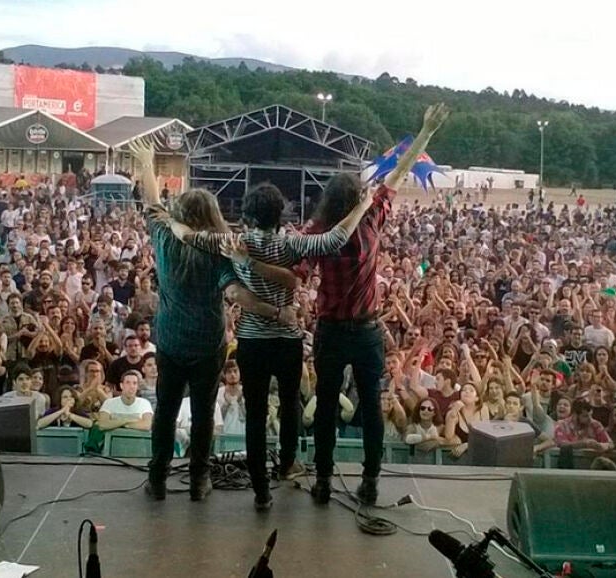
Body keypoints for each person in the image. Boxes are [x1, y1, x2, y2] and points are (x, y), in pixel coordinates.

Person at [170, 178, 375, 510]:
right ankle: (287, 464)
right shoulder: (292, 245)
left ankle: (261, 491)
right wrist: (363, 206)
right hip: (286, 339)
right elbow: (337, 237)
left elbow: (189, 236)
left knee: (256, 413)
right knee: (291, 404)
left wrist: (171, 222)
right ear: (280, 213)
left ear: (248, 215)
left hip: (252, 340)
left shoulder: (234, 242)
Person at [130, 135, 295, 502]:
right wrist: (276, 312)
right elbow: (235, 294)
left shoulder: (164, 237)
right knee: (203, 411)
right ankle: (199, 479)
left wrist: (146, 162)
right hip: (208, 343)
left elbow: (152, 203)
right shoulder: (219, 250)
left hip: (170, 340)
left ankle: (157, 477)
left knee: (166, 409)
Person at [305, 103, 449, 506]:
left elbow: (296, 266)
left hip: (331, 331)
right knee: (371, 406)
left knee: (327, 406)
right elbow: (398, 172)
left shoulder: (317, 231)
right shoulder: (371, 220)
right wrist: (426, 132)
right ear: (357, 198)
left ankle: (322, 480)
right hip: (367, 330)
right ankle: (370, 480)